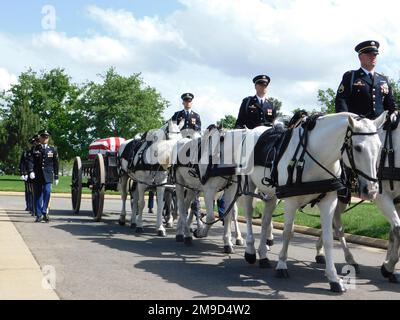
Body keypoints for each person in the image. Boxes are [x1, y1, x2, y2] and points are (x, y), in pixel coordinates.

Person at [335, 40, 396, 119]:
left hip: (380, 126)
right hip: (359, 126)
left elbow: (391, 105)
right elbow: (341, 101)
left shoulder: (384, 79)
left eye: (375, 54)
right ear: (360, 57)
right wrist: (344, 121)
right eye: (369, 54)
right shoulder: (351, 76)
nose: (373, 57)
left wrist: (394, 114)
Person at [172, 93, 202, 216]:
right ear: (183, 102)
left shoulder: (196, 115)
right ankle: (174, 168)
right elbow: (172, 128)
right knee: (174, 148)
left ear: (191, 102)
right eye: (186, 100)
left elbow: (199, 128)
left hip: (193, 139)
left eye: (189, 101)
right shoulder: (177, 114)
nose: (188, 102)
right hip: (180, 139)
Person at [28, 130, 59, 223]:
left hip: (48, 175)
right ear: (40, 138)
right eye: (43, 137)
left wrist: (56, 176)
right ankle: (38, 215)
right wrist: (31, 171)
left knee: (47, 191)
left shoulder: (52, 149)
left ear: (48, 138)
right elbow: (30, 161)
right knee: (38, 195)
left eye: (46, 137)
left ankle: (44, 211)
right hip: (37, 175)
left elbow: (56, 163)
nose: (45, 138)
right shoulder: (34, 148)